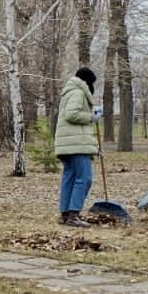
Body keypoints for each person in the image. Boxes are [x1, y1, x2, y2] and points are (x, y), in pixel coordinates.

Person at [54, 66, 102, 227]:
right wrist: (91, 117)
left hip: (68, 144)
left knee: (70, 178)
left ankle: (66, 214)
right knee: (84, 178)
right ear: (87, 81)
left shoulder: (69, 92)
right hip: (75, 146)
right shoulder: (78, 92)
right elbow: (71, 114)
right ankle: (74, 214)